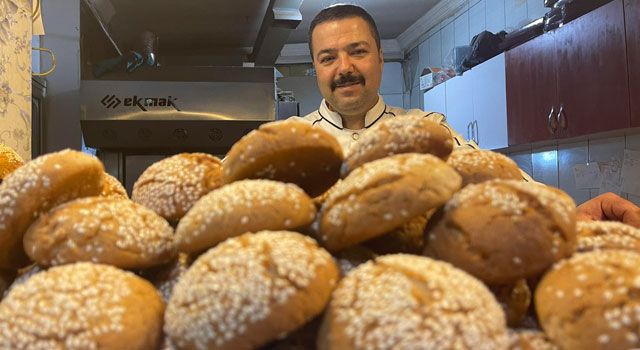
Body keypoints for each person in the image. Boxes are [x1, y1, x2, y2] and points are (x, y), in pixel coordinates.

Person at [290, 3, 640, 228]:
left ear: (380, 57)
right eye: (328, 58)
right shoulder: (288, 142)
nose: (345, 68)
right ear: (316, 68)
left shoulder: (428, 129)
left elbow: (497, 177)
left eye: (358, 51)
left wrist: (571, 216)